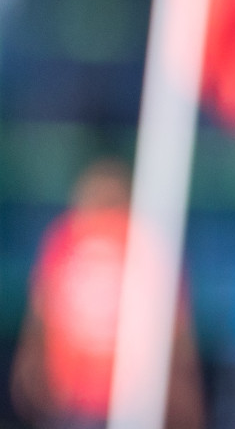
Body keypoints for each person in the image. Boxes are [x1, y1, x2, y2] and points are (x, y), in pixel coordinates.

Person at [10, 159, 204, 429]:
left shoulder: (135, 239)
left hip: (110, 393)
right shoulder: (141, 238)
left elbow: (39, 311)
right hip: (90, 392)